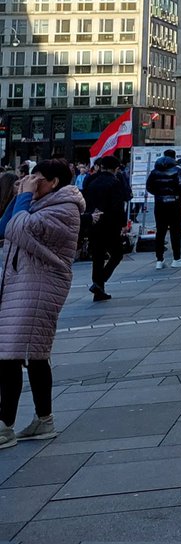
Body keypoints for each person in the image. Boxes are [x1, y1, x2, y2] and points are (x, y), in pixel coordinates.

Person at [0, 160, 85, 448]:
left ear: (54, 182)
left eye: (38, 179)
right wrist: (19, 196)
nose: (33, 182)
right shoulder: (42, 205)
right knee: (34, 355)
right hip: (22, 286)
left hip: (39, 287)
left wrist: (24, 196)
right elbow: (4, 226)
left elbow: (19, 230)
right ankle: (43, 420)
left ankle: (4, 426)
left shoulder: (66, 209)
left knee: (10, 355)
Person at [82, 155, 128, 300]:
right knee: (117, 254)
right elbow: (118, 206)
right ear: (115, 169)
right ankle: (99, 281)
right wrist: (123, 224)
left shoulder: (90, 180)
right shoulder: (114, 182)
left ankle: (99, 290)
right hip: (110, 224)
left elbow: (85, 202)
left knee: (98, 257)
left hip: (93, 223)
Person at [145, 148, 181, 270]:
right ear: (174, 158)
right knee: (176, 231)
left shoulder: (155, 171)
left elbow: (149, 186)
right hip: (174, 204)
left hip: (160, 204)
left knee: (160, 231)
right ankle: (177, 258)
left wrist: (159, 194)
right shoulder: (177, 170)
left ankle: (159, 259)